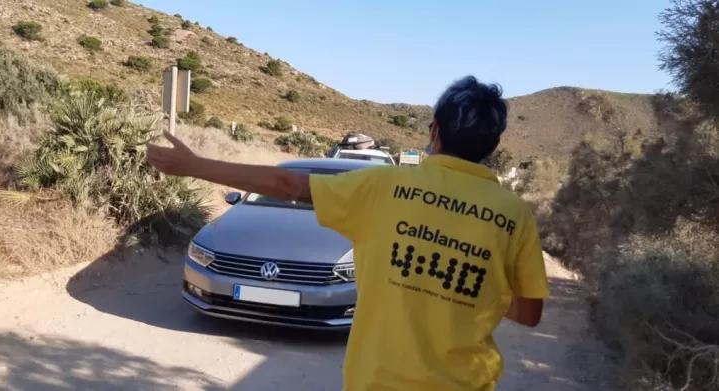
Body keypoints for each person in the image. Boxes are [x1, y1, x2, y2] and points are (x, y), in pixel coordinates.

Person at [147, 75, 549, 391]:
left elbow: (289, 186)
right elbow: (529, 313)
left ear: (434, 131)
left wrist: (194, 165)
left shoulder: (384, 187)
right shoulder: (514, 215)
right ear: (493, 144)